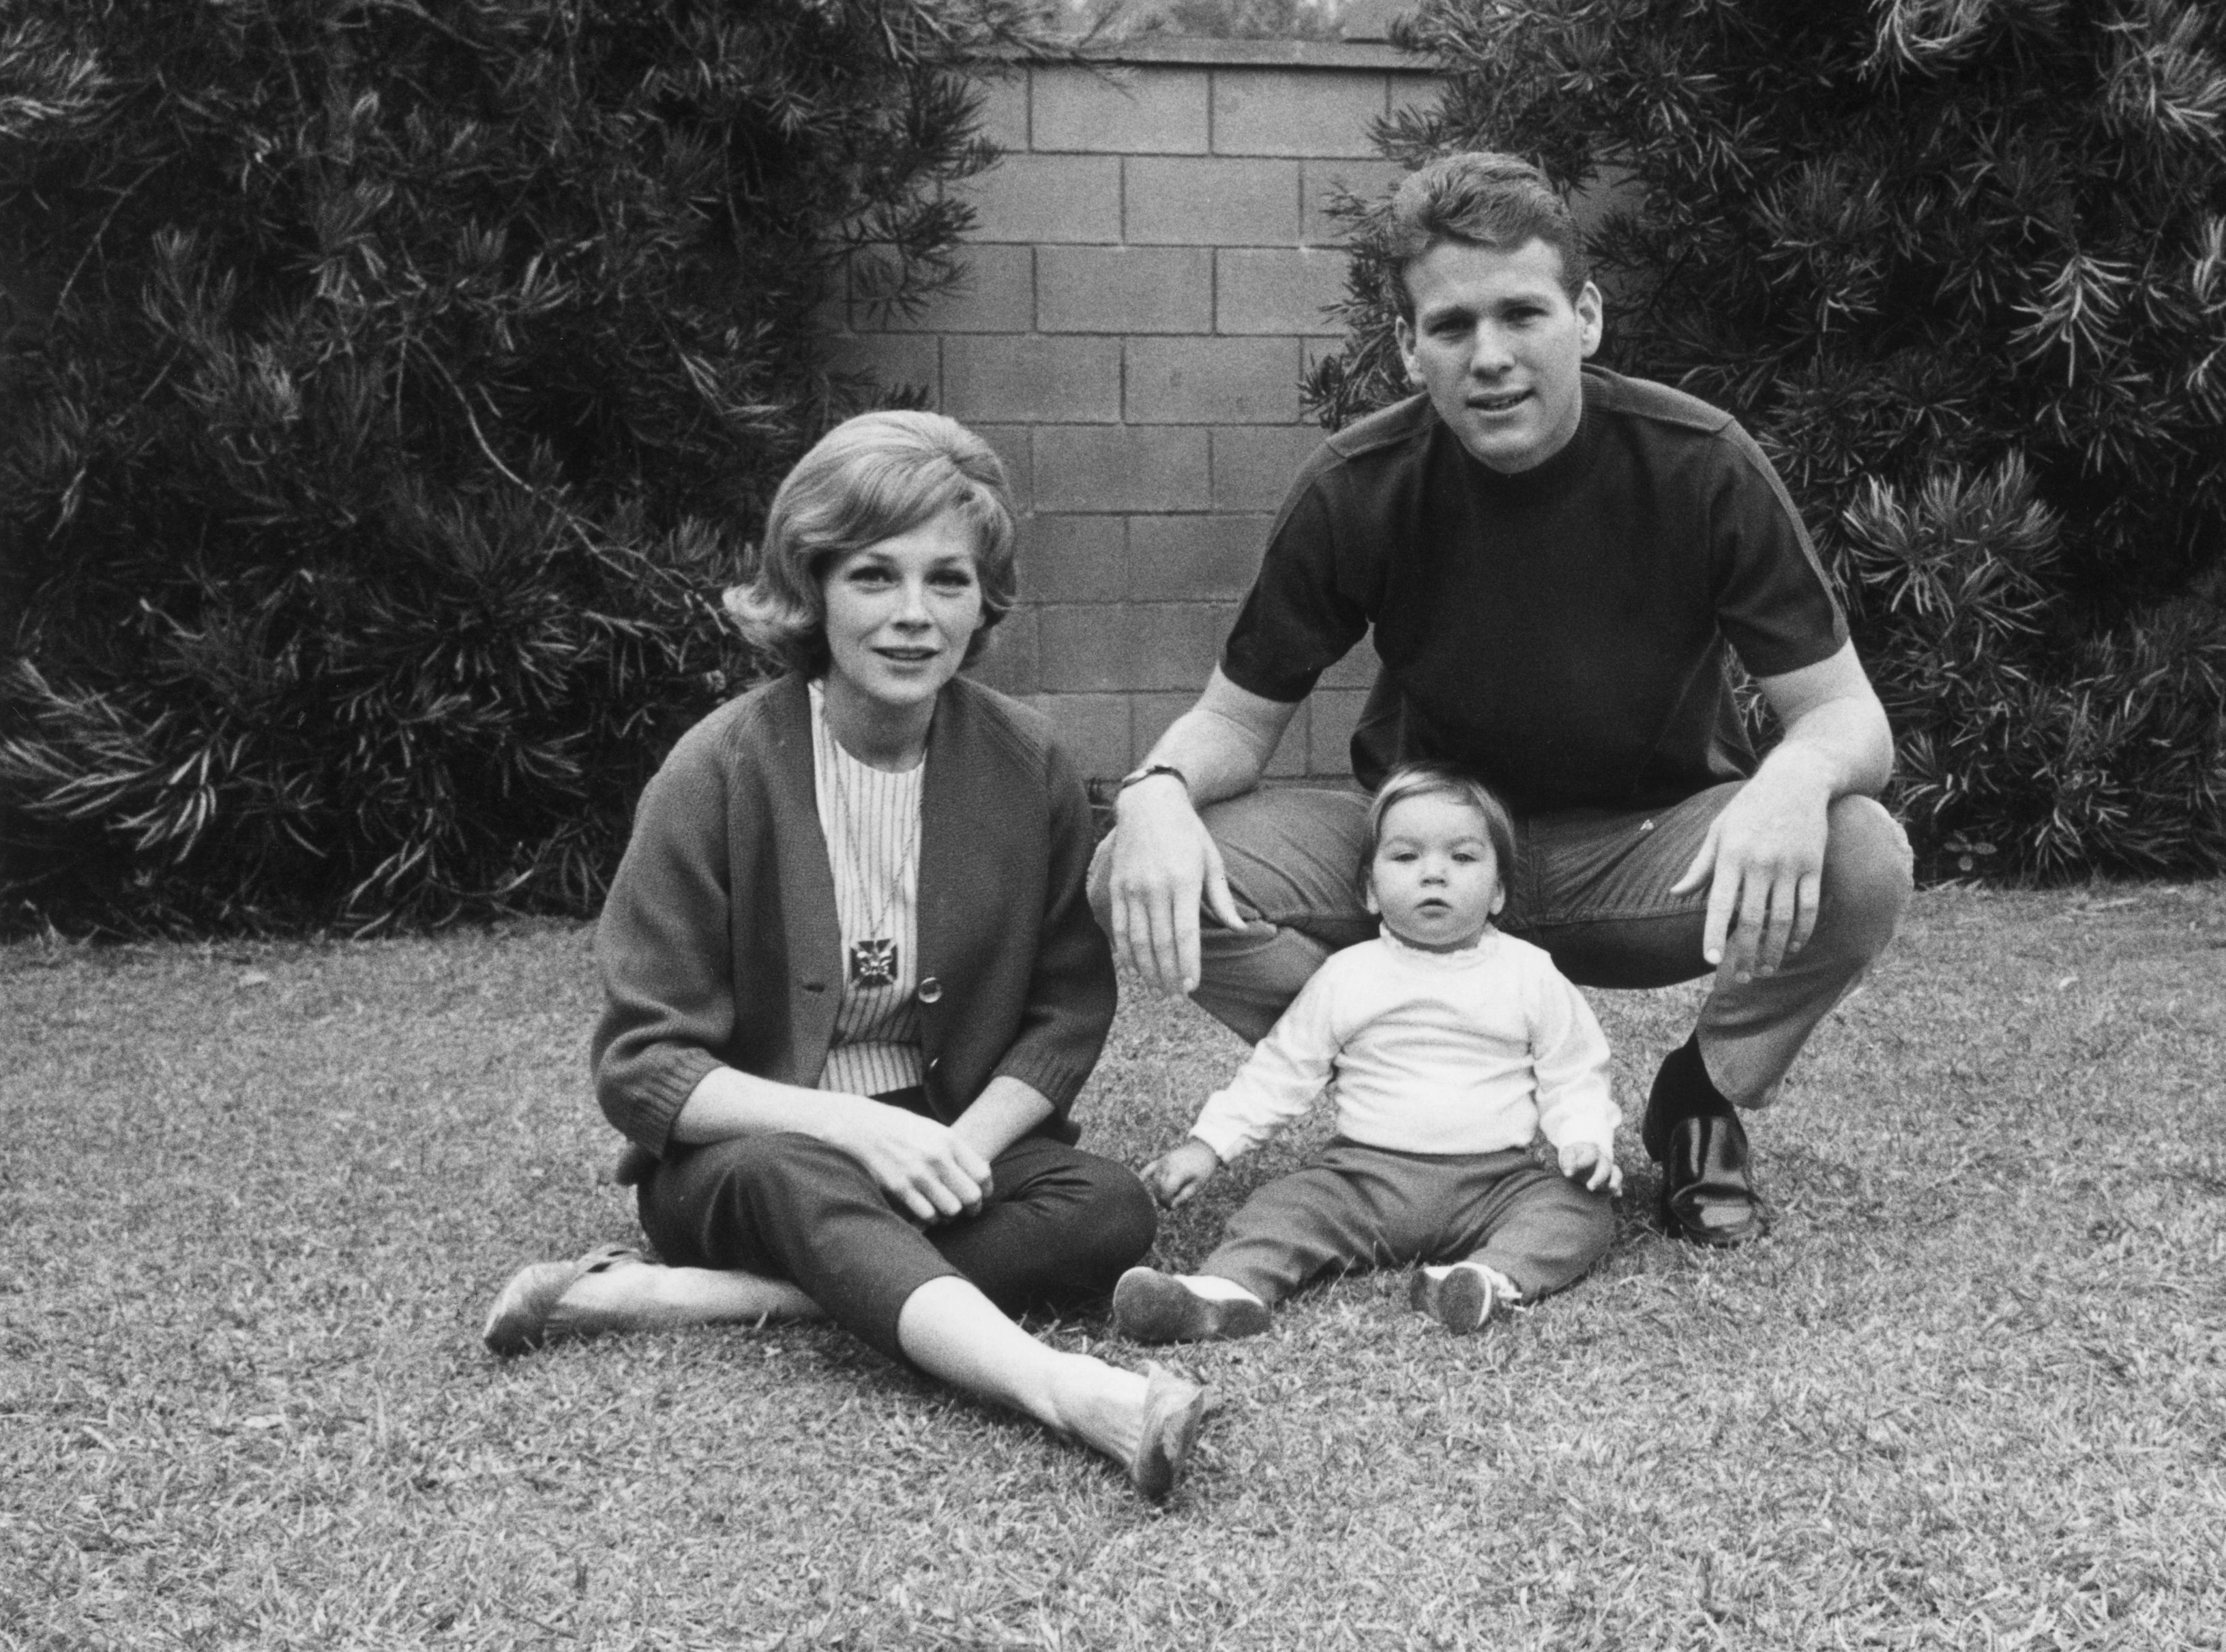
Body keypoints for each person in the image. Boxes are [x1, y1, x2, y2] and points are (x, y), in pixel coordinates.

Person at [1095, 151, 1912, 1251]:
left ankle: (1698, 1097)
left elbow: (1849, 717)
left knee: (1860, 852)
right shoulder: (1359, 484)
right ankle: (1409, 1062)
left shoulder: (1701, 463)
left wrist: (1796, 774)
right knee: (1136, 863)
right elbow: (1237, 723)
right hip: (1424, 845)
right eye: (1450, 325)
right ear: (1406, 346)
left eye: (1521, 312)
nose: (1488, 357)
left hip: (1644, 855)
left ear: (1585, 316)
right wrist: (1152, 790)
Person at [483, 410, 1209, 1501]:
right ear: (812, 588)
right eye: (874, 577)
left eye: (948, 581)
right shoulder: (716, 771)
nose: (914, 616)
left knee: (1110, 1209)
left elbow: (1065, 1012)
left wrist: (959, 1146)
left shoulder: (1029, 763)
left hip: (946, 1130)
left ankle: (689, 1298)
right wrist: (858, 1126)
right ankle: (1070, 1392)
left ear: (983, 600)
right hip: (761, 1155)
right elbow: (644, 1067)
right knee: (797, 1177)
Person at [1112, 764, 1619, 1342]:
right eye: (1405, 857)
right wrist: (1208, 1147)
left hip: (1494, 1184)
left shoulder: (1529, 973)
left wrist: (1584, 1140)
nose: (1433, 873)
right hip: (1360, 1181)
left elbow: (1573, 1071)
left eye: (1462, 857)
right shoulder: (1346, 975)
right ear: (1371, 891)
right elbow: (1281, 1070)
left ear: (1499, 889)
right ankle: (1225, 1290)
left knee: (1579, 1209)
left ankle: (1485, 1280)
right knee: (1284, 1206)